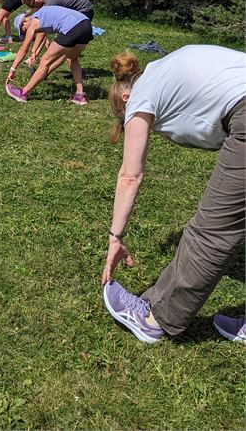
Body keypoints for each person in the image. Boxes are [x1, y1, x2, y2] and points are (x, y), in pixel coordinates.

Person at [102, 45, 246, 344]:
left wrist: (115, 238)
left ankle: (155, 318)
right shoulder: (164, 68)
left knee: (212, 231)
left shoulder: (142, 96)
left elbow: (130, 175)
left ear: (125, 98)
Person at [5, 6, 93, 104]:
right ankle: (80, 95)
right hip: (87, 25)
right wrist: (34, 52)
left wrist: (12, 70)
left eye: (23, 31)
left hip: (72, 27)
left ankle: (23, 93)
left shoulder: (34, 23)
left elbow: (23, 50)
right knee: (73, 59)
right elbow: (42, 37)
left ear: (24, 22)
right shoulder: (42, 15)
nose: (26, 33)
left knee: (45, 61)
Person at [21, 0, 94, 73]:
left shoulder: (51, 1)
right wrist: (35, 51)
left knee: (66, 47)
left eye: (32, 5)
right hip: (77, 12)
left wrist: (34, 51)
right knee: (66, 48)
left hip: (83, 12)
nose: (34, 8)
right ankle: (47, 71)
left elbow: (42, 31)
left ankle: (44, 72)